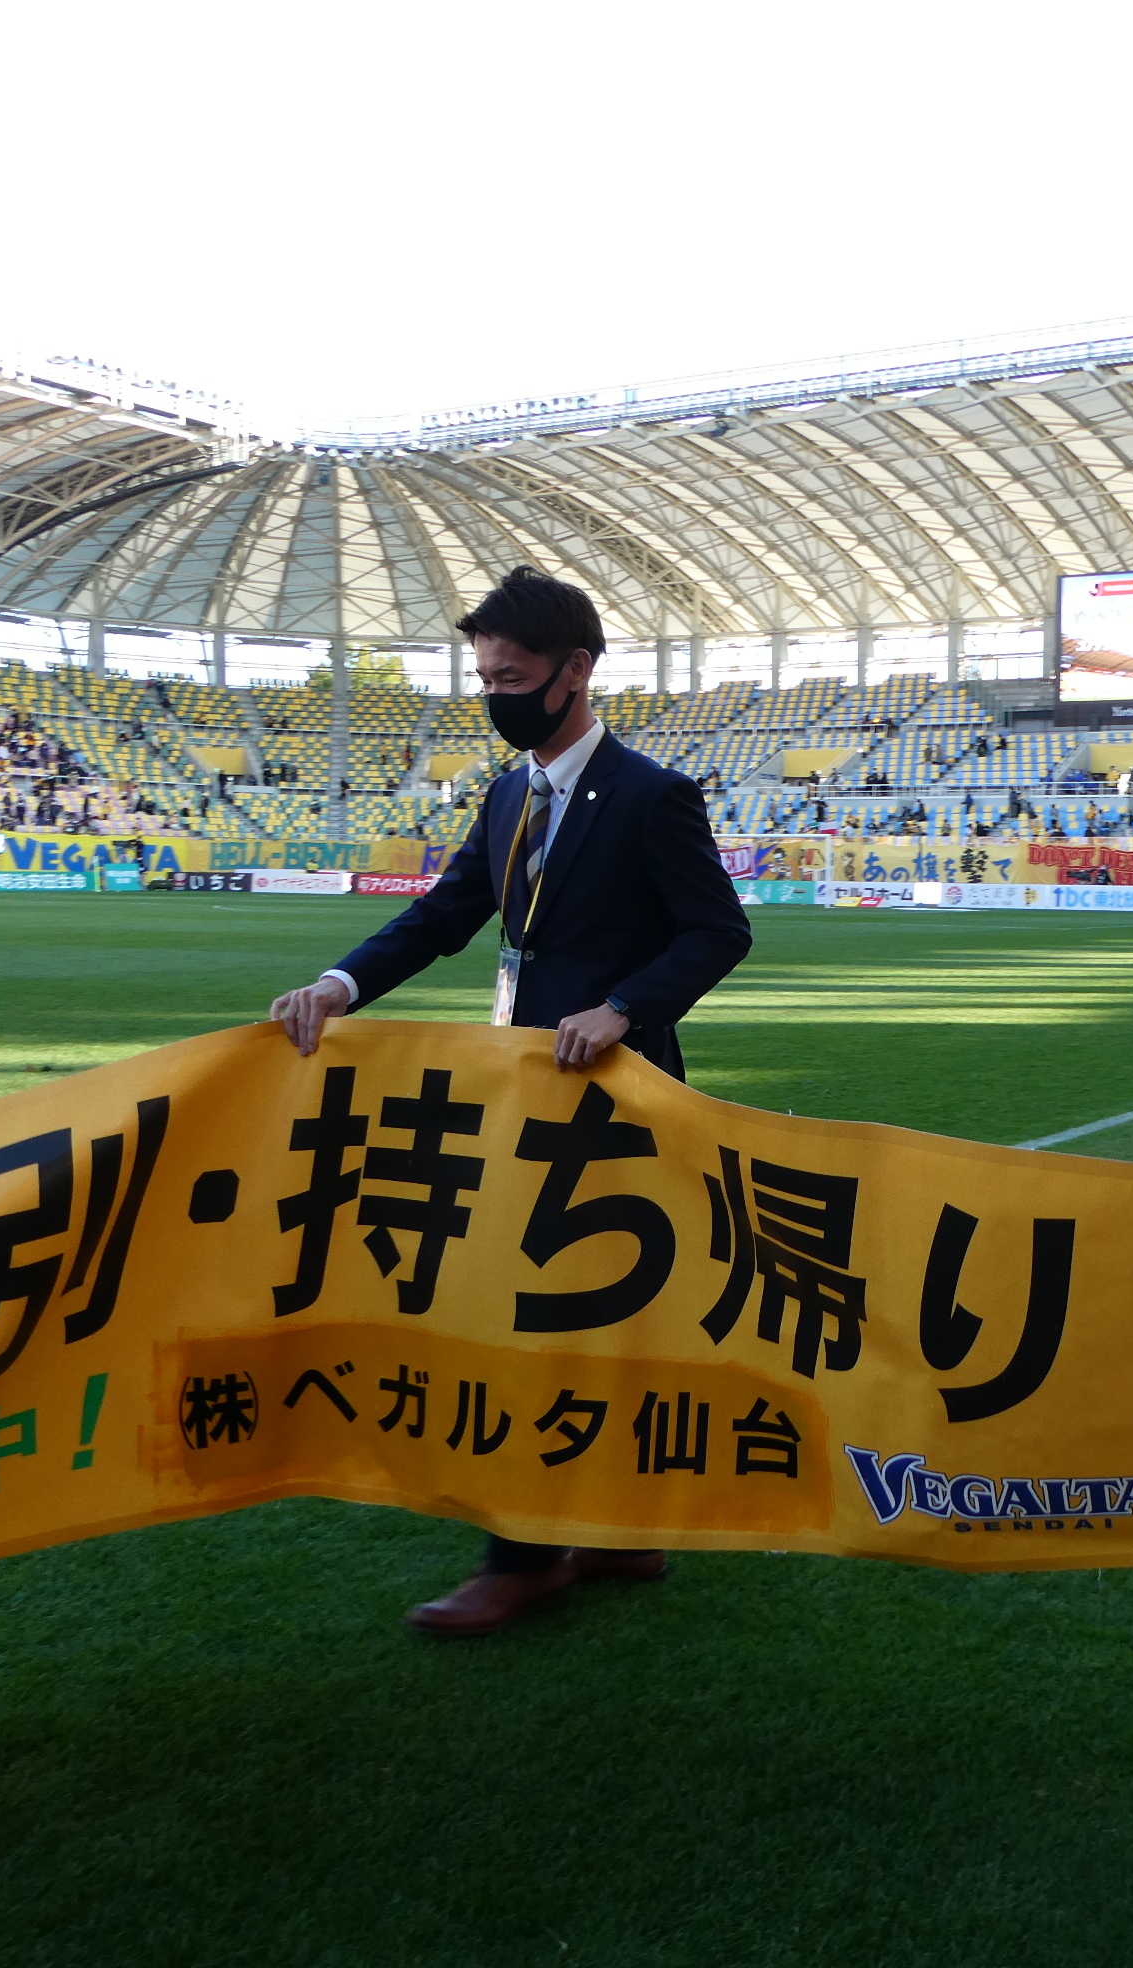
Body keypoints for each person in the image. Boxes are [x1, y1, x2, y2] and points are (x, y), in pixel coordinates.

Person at [266, 565, 752, 1637]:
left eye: (512, 678)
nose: (494, 696)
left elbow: (718, 930)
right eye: (484, 678)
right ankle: (617, 1529)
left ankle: (527, 1557)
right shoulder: (505, 795)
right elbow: (442, 916)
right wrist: (338, 988)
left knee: (553, 1315)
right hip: (521, 1093)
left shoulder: (650, 795)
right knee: (575, 1314)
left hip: (618, 1103)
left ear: (575, 671)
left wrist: (623, 1007)